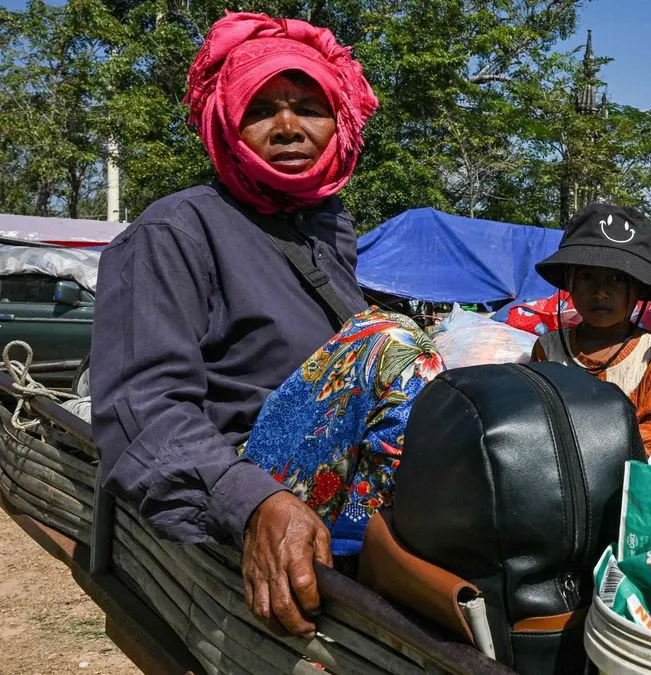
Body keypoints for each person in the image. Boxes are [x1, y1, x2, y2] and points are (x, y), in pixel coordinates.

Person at [90, 13, 434, 639]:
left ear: (341, 122)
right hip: (245, 479)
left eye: (308, 107)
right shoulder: (176, 230)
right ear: (227, 124)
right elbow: (144, 404)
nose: (287, 128)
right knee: (392, 340)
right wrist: (249, 502)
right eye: (261, 109)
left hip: (341, 483)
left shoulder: (329, 229)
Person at [531, 204, 651, 453]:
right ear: (569, 281)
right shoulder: (548, 349)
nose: (601, 292)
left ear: (639, 287)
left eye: (618, 278)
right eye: (587, 277)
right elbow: (534, 418)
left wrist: (590, 446)